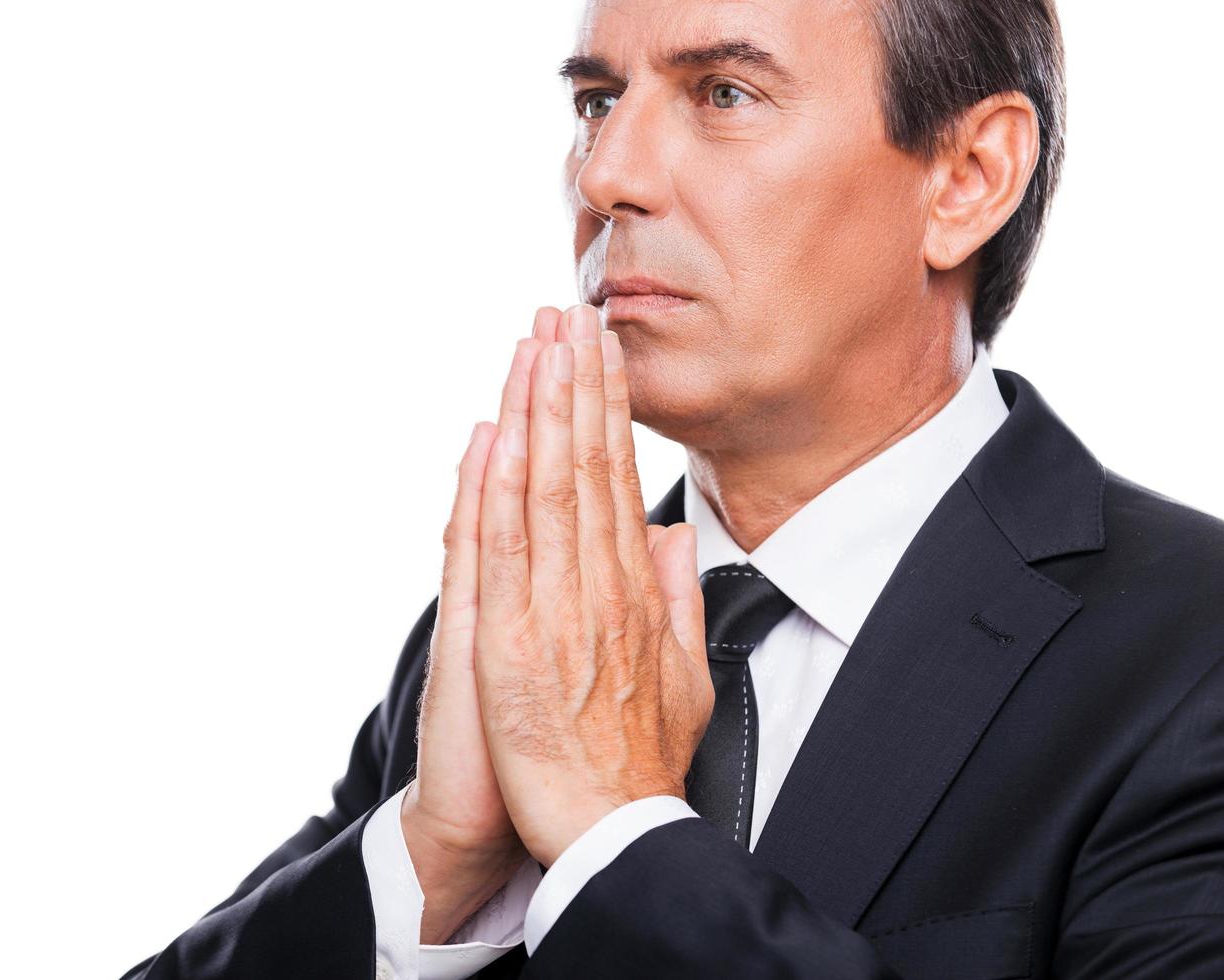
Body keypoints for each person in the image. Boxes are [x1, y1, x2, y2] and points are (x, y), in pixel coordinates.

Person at [120, 0, 1224, 976]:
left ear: (967, 176)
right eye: (598, 101)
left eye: (723, 93)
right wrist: (429, 859)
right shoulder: (521, 638)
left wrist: (617, 835)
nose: (606, 175)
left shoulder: (1190, 652)